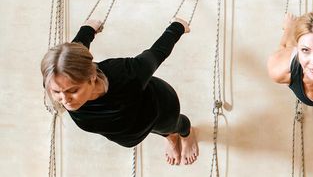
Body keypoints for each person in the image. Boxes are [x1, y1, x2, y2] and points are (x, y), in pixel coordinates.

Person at [41, 18, 198, 165]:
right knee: (160, 132)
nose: (65, 99)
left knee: (175, 125)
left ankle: (185, 134)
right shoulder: (63, 75)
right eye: (56, 92)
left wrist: (177, 26)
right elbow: (75, 49)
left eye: (73, 90)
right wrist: (89, 28)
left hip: (158, 107)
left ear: (91, 76)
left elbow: (157, 53)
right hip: (131, 128)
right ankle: (170, 138)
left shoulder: (127, 74)